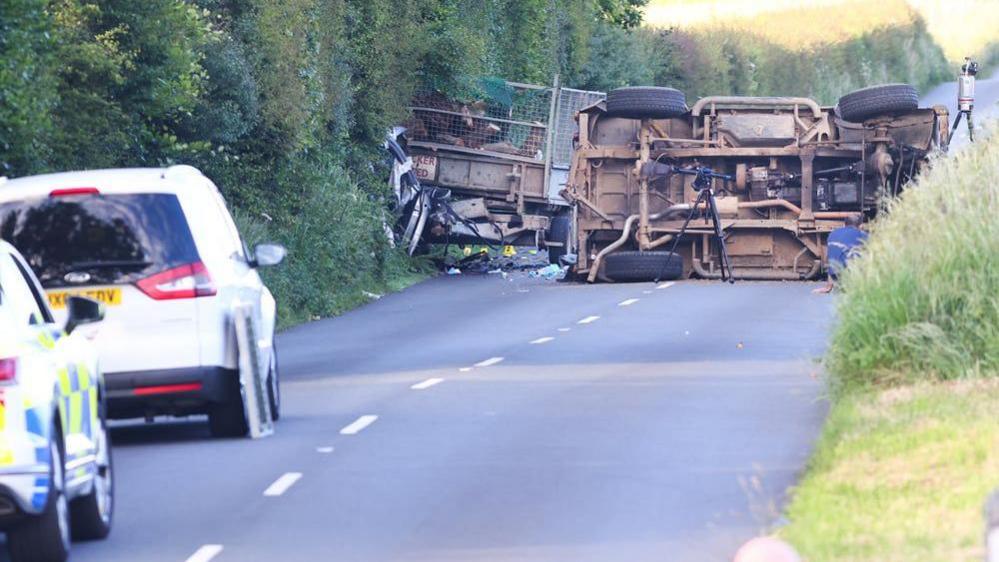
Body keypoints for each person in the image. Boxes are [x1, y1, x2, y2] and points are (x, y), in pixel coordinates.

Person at [814, 212, 868, 294]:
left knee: (835, 253)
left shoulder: (832, 234)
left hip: (835, 276)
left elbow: (830, 257)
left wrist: (828, 286)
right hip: (852, 274)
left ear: (844, 224)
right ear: (860, 226)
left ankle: (830, 286)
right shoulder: (861, 234)